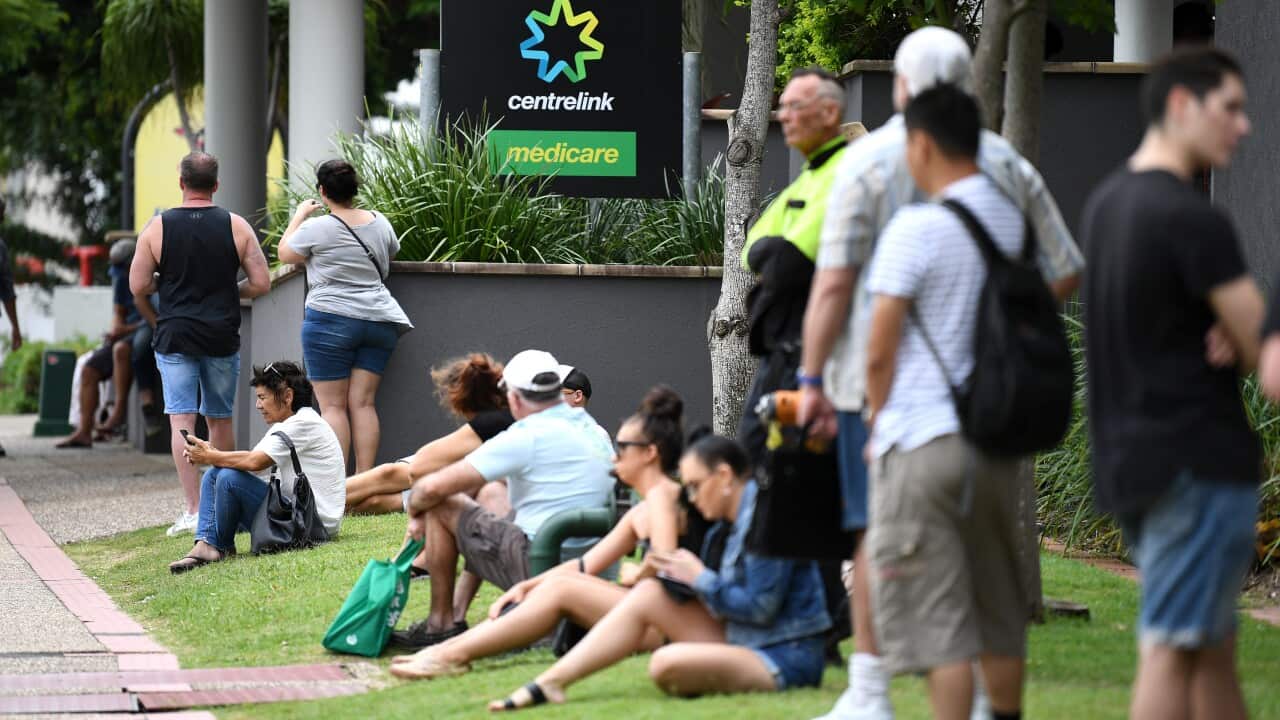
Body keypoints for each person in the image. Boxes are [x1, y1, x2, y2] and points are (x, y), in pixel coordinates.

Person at [797, 27, 1085, 720]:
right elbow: (1064, 267)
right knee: (992, 590)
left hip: (895, 404)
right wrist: (1000, 327)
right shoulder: (1007, 167)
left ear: (902, 88)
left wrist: (811, 379)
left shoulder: (872, 165)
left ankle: (870, 693)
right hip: (990, 412)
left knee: (884, 544)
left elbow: (836, 289)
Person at [1081, 47, 1261, 720]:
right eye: (1231, 108)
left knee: (1210, 647)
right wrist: (1243, 328)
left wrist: (1228, 328)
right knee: (1171, 649)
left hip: (1132, 464)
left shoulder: (1107, 205)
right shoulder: (1193, 218)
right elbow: (1258, 340)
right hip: (1197, 466)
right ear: (1182, 105)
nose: (1242, 126)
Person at [862, 84, 1035, 720]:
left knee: (941, 626)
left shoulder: (916, 228)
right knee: (997, 611)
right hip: (995, 443)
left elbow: (878, 350)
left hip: (922, 438)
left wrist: (876, 423)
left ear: (922, 144)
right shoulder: (1012, 222)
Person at [487, 433, 831, 712]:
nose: (692, 498)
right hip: (746, 636)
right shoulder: (727, 524)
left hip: (784, 654)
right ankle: (550, 682)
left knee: (666, 664)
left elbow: (760, 607)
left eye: (695, 486)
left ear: (724, 476)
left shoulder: (763, 520)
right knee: (648, 594)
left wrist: (699, 577)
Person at [388, 385, 689, 680]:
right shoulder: (643, 507)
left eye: (622, 448)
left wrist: (640, 573)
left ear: (650, 453)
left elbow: (666, 572)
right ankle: (447, 650)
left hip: (663, 622)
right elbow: (585, 565)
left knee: (561, 589)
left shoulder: (662, 498)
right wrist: (529, 586)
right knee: (556, 585)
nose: (614, 457)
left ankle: (448, 654)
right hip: (646, 611)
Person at [396, 349, 614, 650]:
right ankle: (456, 613)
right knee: (490, 492)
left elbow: (430, 489)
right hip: (594, 570)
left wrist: (416, 514)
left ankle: (440, 624)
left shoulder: (527, 434)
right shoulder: (589, 427)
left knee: (443, 503)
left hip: (546, 566)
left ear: (514, 399)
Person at [130, 152, 271, 537]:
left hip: (175, 335)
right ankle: (223, 504)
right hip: (221, 334)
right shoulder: (236, 226)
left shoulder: (157, 228)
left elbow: (138, 285)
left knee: (182, 420)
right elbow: (262, 282)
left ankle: (193, 510)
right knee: (219, 418)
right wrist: (230, 291)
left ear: (181, 182)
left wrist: (165, 285)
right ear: (216, 185)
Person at [738, 66, 850, 464]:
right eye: (781, 106)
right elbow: (749, 252)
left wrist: (774, 250)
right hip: (778, 358)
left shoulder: (847, 173)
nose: (783, 116)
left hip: (815, 360)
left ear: (830, 112)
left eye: (795, 107)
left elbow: (787, 264)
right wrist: (774, 250)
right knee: (753, 459)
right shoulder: (806, 178)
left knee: (789, 472)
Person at [278, 158, 412, 474]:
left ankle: (339, 487)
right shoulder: (380, 221)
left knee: (333, 407)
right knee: (363, 404)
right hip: (379, 319)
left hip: (330, 319)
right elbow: (391, 252)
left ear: (322, 191)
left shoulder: (316, 227)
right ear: (355, 189)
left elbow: (285, 253)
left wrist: (299, 215)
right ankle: (365, 483)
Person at [167, 361, 345, 573]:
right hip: (300, 518)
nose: (258, 405)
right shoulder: (295, 421)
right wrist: (212, 453)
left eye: (262, 397)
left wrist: (211, 456)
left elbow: (255, 463)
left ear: (287, 396)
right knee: (215, 475)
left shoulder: (303, 423)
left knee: (227, 479)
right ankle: (207, 543)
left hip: (310, 526)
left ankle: (215, 545)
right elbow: (252, 459)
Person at [344, 353, 512, 515]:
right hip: (472, 483)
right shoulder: (502, 419)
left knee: (382, 491)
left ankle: (327, 502)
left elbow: (417, 468)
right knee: (386, 481)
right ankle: (329, 502)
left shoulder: (499, 421)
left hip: (478, 487)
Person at [57, 240, 160, 448]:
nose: (121, 274)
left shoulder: (151, 275)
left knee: (121, 350)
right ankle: (84, 431)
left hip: (141, 332)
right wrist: (116, 329)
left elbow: (151, 317)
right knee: (88, 369)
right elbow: (119, 312)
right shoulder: (121, 279)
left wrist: (126, 330)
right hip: (125, 333)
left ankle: (118, 413)